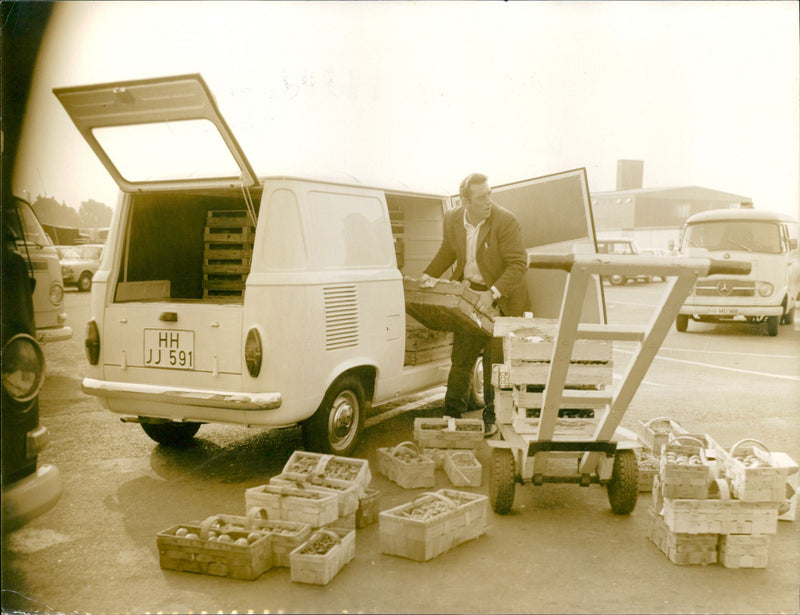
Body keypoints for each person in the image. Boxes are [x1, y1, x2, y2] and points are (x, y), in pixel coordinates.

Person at [420, 172, 530, 437]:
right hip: (468, 297)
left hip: (500, 299)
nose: (488, 201)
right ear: (464, 201)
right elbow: (447, 251)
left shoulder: (505, 221)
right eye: (482, 197)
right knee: (461, 358)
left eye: (490, 194)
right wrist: (428, 275)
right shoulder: (452, 219)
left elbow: (518, 264)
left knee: (495, 362)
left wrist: (491, 294)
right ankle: (451, 414)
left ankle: (491, 418)